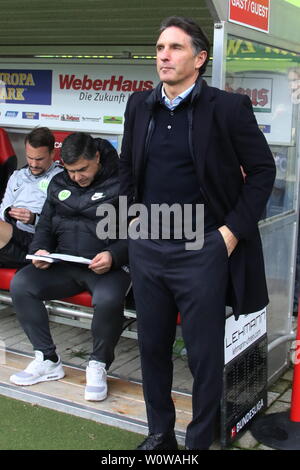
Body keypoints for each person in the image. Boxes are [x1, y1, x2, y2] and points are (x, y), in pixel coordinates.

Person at [119, 16, 276, 450]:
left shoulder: (227, 107)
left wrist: (230, 233)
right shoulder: (139, 106)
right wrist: (132, 221)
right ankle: (160, 434)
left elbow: (263, 172)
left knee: (204, 356)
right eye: (159, 48)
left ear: (200, 58)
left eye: (174, 47)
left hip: (203, 249)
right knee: (152, 347)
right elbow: (127, 168)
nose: (163, 56)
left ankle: (199, 440)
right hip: (148, 248)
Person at [10, 132, 130, 402]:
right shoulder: (58, 182)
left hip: (106, 267)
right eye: (71, 170)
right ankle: (47, 359)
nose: (76, 177)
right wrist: (38, 251)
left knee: (109, 299)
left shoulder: (123, 182)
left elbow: (138, 231)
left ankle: (98, 364)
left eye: (82, 169)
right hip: (64, 263)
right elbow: (45, 228)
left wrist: (113, 255)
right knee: (22, 283)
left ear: (97, 157)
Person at [0, 127, 62, 267]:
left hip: (37, 239)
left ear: (52, 153)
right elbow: (2, 211)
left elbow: (63, 223)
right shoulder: (17, 176)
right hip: (11, 233)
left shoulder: (61, 179)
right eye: (30, 158)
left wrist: (34, 219)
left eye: (39, 159)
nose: (34, 164)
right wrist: (8, 213)